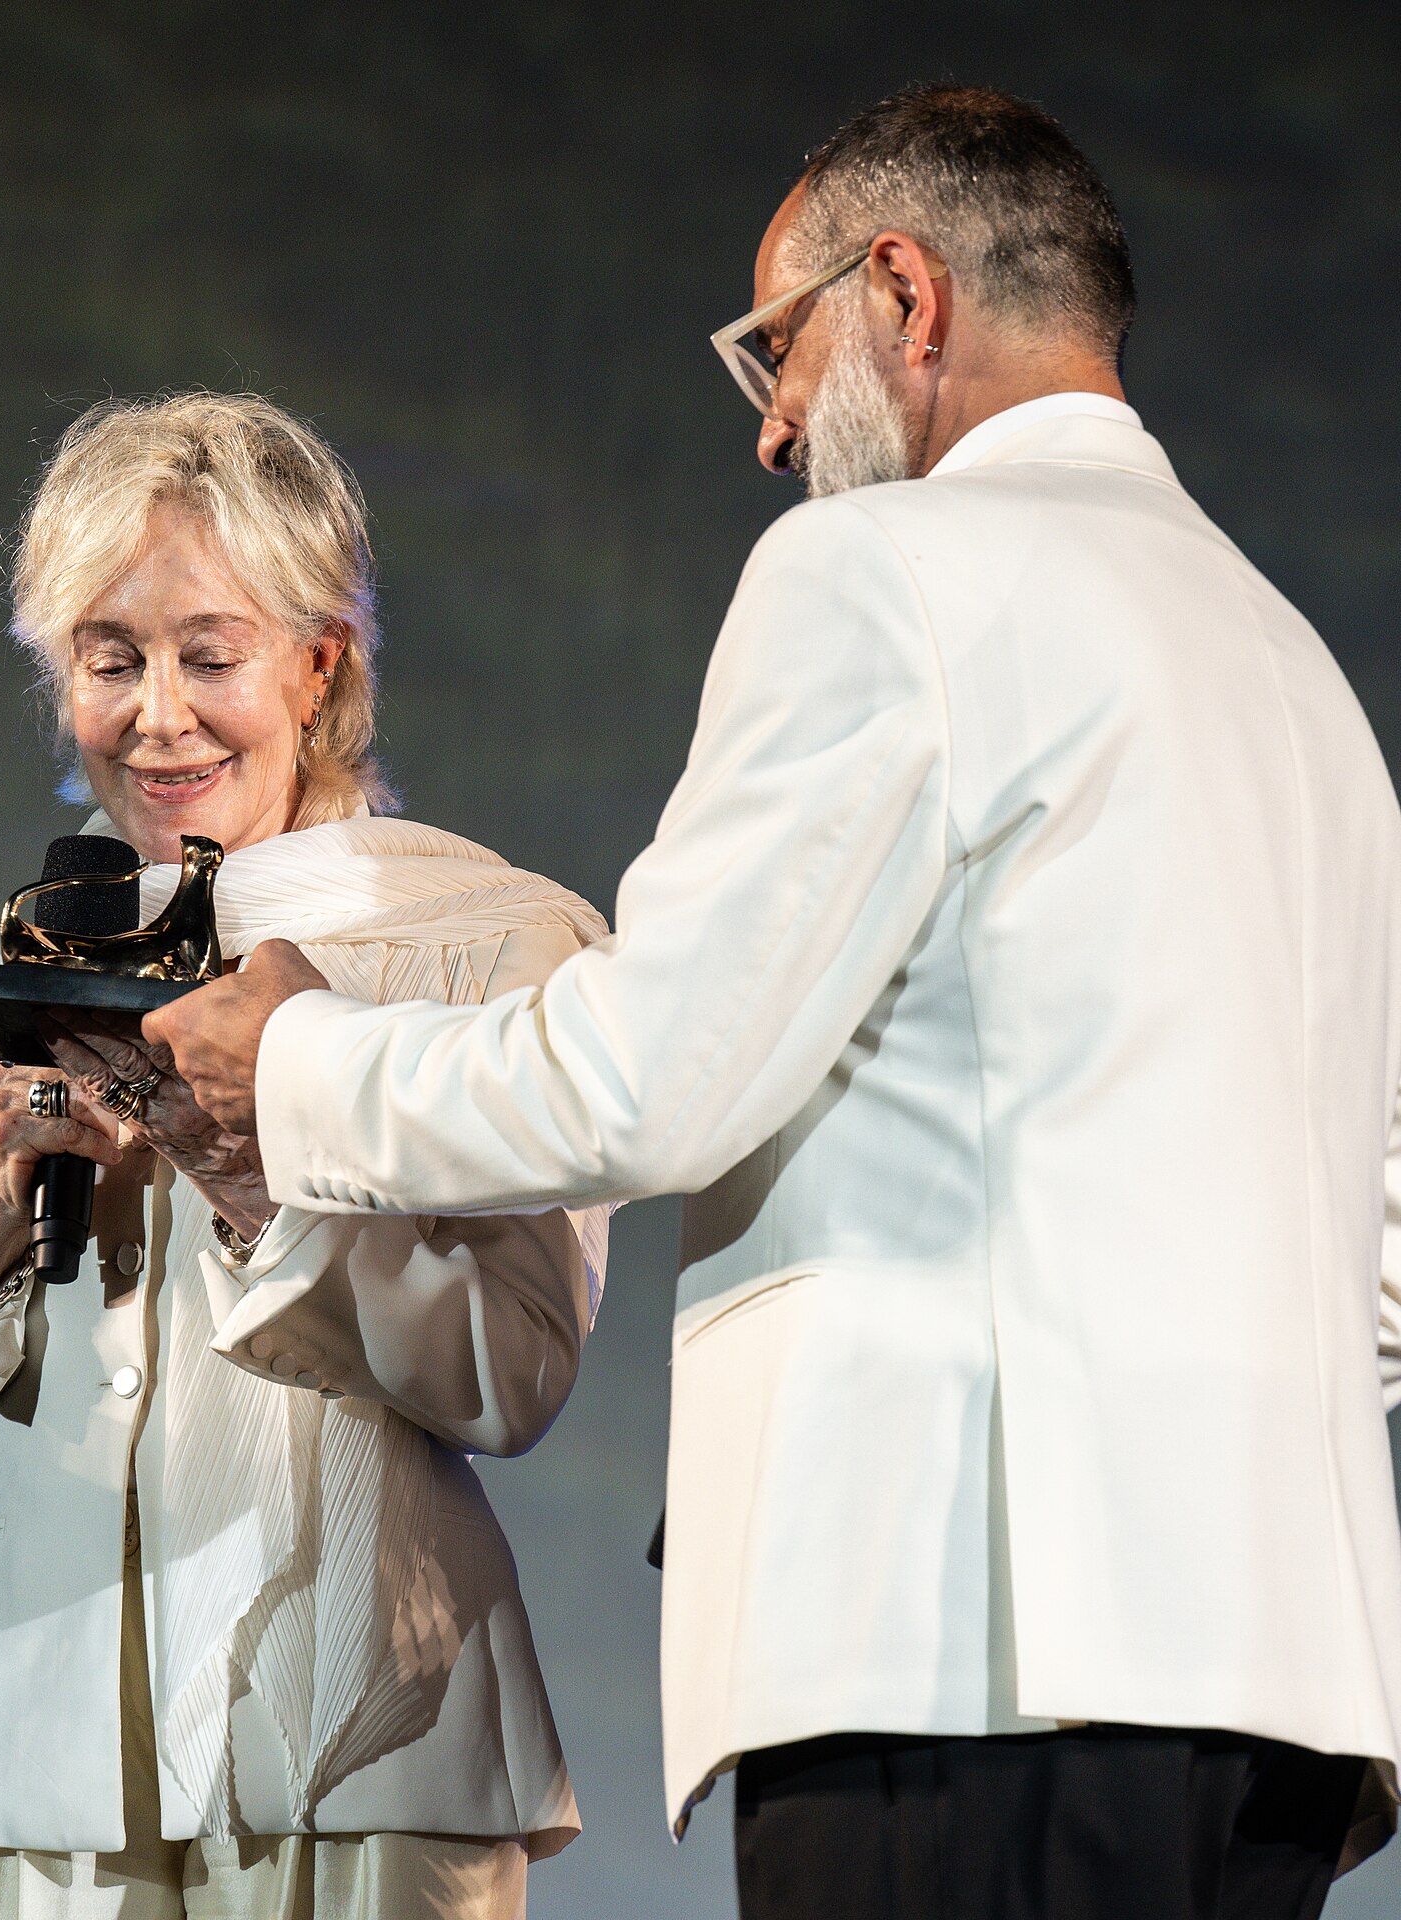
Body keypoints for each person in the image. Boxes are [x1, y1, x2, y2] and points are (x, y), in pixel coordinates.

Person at [146, 87, 1401, 1920]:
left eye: (776, 347)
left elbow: (657, 1072)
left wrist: (295, 1068)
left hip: (965, 1650)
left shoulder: (885, 573)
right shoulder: (1299, 678)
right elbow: (1377, 1253)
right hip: (1279, 1684)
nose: (773, 427)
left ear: (904, 293)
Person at [0, 392, 611, 1920]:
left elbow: (513, 1374)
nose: (159, 717)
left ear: (321, 662)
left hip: (362, 1763)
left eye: (210, 654)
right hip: (32, 1805)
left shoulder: (486, 950)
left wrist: (256, 1186)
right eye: (110, 659)